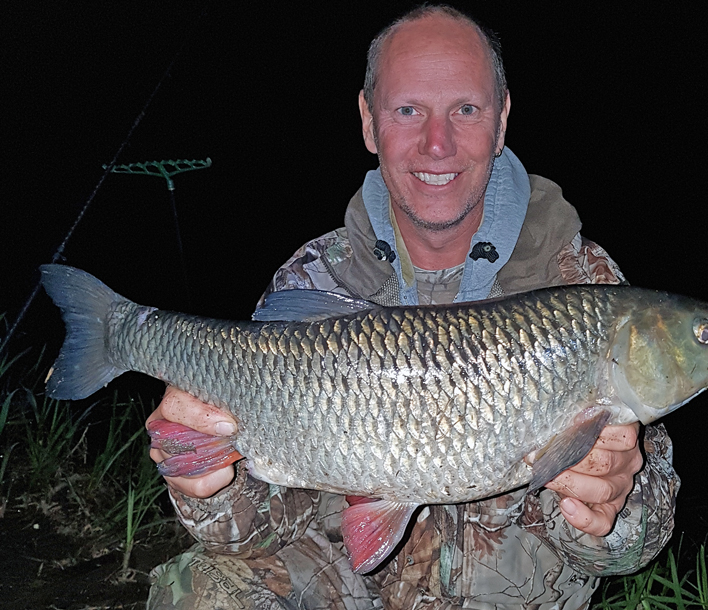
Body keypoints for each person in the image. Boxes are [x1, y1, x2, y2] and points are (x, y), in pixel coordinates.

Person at [146, 6, 679, 609]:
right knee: (199, 590)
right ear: (369, 123)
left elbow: (635, 545)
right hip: (349, 588)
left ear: (501, 120)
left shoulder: (583, 287)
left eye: (466, 110)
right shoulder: (313, 278)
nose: (437, 142)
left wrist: (611, 501)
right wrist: (204, 482)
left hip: (512, 596)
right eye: (408, 111)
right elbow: (263, 525)